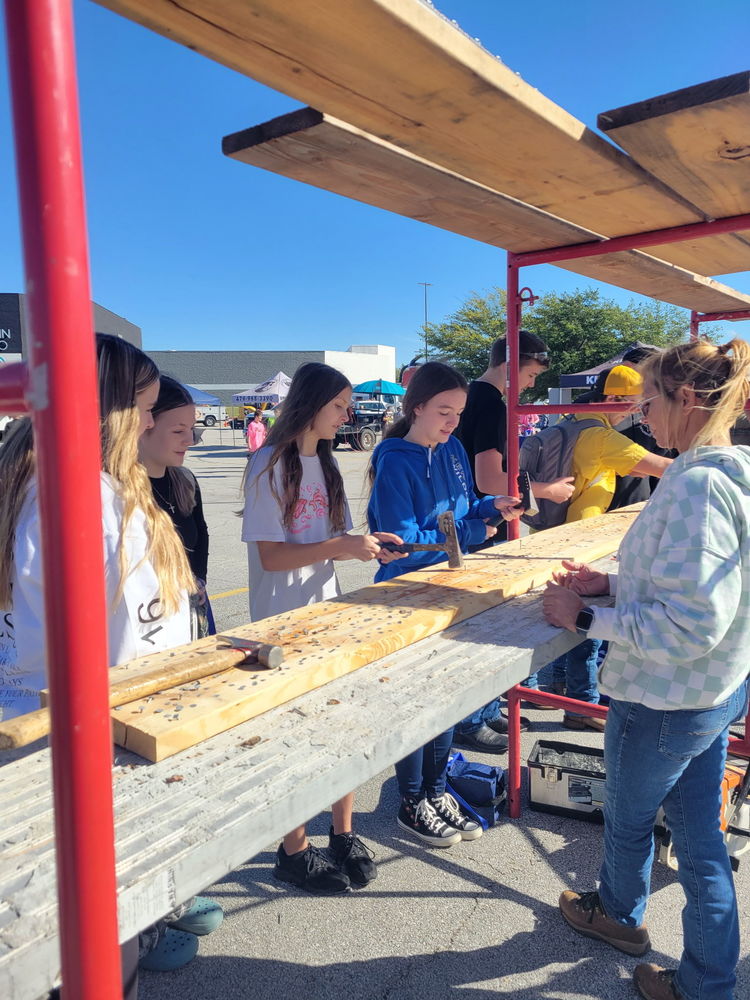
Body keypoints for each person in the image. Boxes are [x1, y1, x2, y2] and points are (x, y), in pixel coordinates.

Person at [0, 334, 222, 981]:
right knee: (99, 936)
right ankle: (140, 934)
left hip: (25, 724)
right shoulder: (96, 502)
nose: (153, 425)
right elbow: (136, 652)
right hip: (89, 747)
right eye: (147, 412)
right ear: (110, 413)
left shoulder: (21, 481)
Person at [543, 338, 750, 1000]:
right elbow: (695, 589)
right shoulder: (733, 472)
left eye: (649, 400)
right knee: (700, 840)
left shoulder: (697, 487)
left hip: (663, 697)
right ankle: (707, 979)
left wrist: (584, 617)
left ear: (688, 400)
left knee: (631, 821)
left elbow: (691, 623)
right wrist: (610, 585)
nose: (641, 414)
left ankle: (620, 918)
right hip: (711, 691)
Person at [241, 361, 404, 894]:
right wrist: (341, 545)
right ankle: (293, 850)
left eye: (348, 406)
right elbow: (272, 557)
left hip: (327, 614)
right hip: (280, 623)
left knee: (341, 726)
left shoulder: (328, 465)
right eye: (339, 405)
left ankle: (343, 833)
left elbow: (336, 541)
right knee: (292, 738)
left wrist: (367, 545)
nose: (347, 415)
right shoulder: (268, 462)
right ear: (310, 404)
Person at [367, 361, 523, 846]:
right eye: (443, 411)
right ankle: (412, 800)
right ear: (416, 408)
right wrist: (476, 530)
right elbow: (402, 542)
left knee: (445, 698)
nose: (453, 422)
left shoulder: (453, 448)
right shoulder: (394, 461)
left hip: (453, 588)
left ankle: (436, 791)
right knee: (415, 704)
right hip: (407, 597)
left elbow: (463, 508)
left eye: (458, 412)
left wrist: (490, 507)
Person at [453, 331, 574, 742]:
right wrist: (545, 490)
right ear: (509, 367)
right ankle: (473, 721)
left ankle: (485, 711)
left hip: (480, 521)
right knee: (482, 627)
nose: (532, 384)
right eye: (531, 374)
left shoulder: (477, 398)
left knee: (484, 624)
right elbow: (488, 479)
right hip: (483, 525)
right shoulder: (490, 404)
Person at [554, 364, 673, 732]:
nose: (640, 415)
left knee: (561, 626)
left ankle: (554, 689)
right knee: (585, 633)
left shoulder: (578, 422)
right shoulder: (601, 436)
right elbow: (663, 467)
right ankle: (582, 704)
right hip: (582, 540)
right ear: (612, 399)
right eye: (636, 406)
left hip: (563, 534)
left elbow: (632, 468)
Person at [139, 375, 215, 637]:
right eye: (178, 431)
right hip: (149, 621)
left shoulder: (185, 481)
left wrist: (198, 579)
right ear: (144, 425)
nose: (190, 440)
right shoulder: (119, 492)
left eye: (191, 429)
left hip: (191, 607)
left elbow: (200, 533)